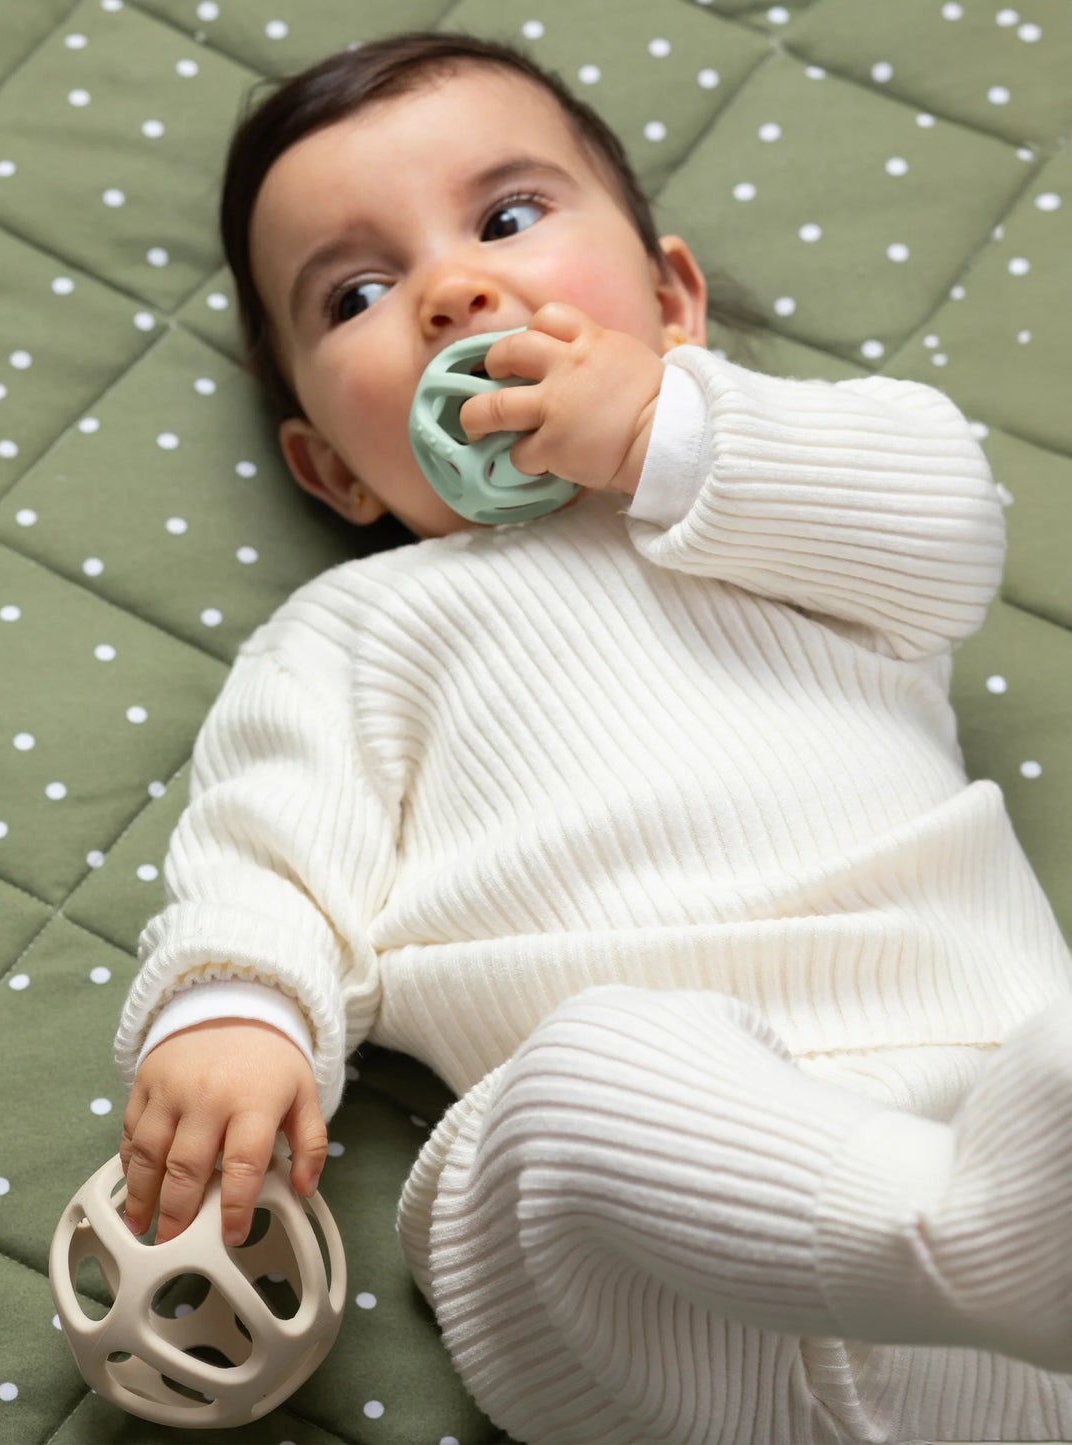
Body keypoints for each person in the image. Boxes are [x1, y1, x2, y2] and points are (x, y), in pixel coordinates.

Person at [111, 30, 1072, 1445]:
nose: (452, 288)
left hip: (991, 1113)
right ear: (329, 464)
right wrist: (233, 1016)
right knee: (587, 1072)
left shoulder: (779, 506)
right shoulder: (353, 632)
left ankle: (975, 1231)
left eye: (508, 217)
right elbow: (266, 861)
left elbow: (944, 517)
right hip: (654, 1290)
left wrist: (660, 433)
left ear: (671, 302)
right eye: (359, 293)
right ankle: (959, 1234)